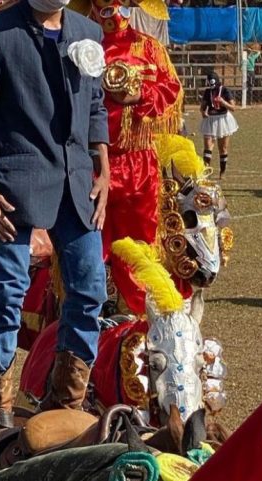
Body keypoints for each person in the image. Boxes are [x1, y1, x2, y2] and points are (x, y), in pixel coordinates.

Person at [0, 0, 110, 438]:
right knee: (7, 294)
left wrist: (105, 168)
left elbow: (95, 105)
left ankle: (65, 404)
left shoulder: (88, 32)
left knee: (90, 290)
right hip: (13, 189)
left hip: (78, 187)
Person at [79, 0, 182, 314]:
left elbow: (171, 89)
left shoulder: (149, 48)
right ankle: (83, 318)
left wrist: (138, 96)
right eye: (108, 10)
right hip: (92, 161)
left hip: (140, 164)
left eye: (122, 9)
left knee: (140, 244)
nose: (116, 18)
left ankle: (136, 320)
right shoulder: (82, 48)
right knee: (87, 244)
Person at [200, 72, 238, 179]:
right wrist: (203, 113)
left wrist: (223, 102)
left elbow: (233, 108)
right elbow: (202, 108)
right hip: (210, 120)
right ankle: (206, 172)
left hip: (223, 120)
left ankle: (222, 172)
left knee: (223, 148)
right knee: (208, 147)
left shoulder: (225, 90)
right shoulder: (208, 92)